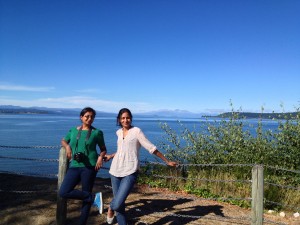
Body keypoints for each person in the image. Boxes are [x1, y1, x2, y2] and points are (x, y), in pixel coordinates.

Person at [104, 108, 178, 225]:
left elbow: (151, 148)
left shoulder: (136, 131)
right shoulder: (118, 132)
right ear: (119, 120)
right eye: (123, 118)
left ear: (131, 118)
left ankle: (110, 207)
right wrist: (111, 156)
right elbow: (121, 150)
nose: (125, 120)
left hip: (130, 170)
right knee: (121, 205)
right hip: (115, 170)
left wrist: (167, 161)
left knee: (117, 203)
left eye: (127, 117)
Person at [58, 107, 107, 225]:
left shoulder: (97, 133)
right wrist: (68, 147)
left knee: (85, 195)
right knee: (63, 191)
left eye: (92, 117)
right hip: (75, 165)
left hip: (90, 166)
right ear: (81, 117)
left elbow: (103, 149)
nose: (89, 119)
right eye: (87, 116)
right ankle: (94, 197)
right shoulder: (73, 130)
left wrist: (100, 157)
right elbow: (63, 140)